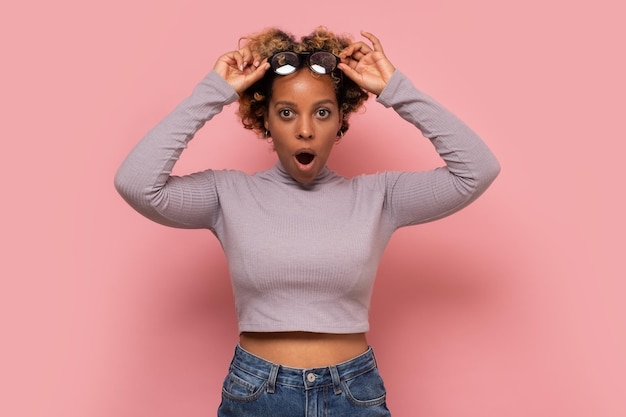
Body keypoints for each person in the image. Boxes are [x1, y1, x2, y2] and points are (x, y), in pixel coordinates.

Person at [115, 26, 500, 417]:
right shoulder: (226, 195)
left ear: (340, 121)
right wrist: (214, 92)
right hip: (257, 394)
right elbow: (137, 184)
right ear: (265, 120)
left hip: (353, 394)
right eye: (286, 113)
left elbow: (476, 169)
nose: (305, 129)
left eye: (322, 112)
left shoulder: (378, 198)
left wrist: (395, 89)